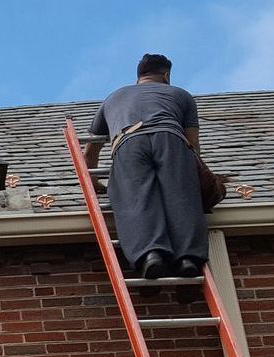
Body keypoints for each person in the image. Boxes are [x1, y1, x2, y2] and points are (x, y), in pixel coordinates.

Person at [86, 54, 206, 279]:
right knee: (182, 197)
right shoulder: (181, 95)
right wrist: (194, 177)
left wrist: (93, 181)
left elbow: (91, 151)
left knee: (136, 198)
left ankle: (151, 255)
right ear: (167, 75)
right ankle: (188, 259)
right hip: (171, 139)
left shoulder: (114, 97)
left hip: (128, 141)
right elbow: (193, 144)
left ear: (139, 75)